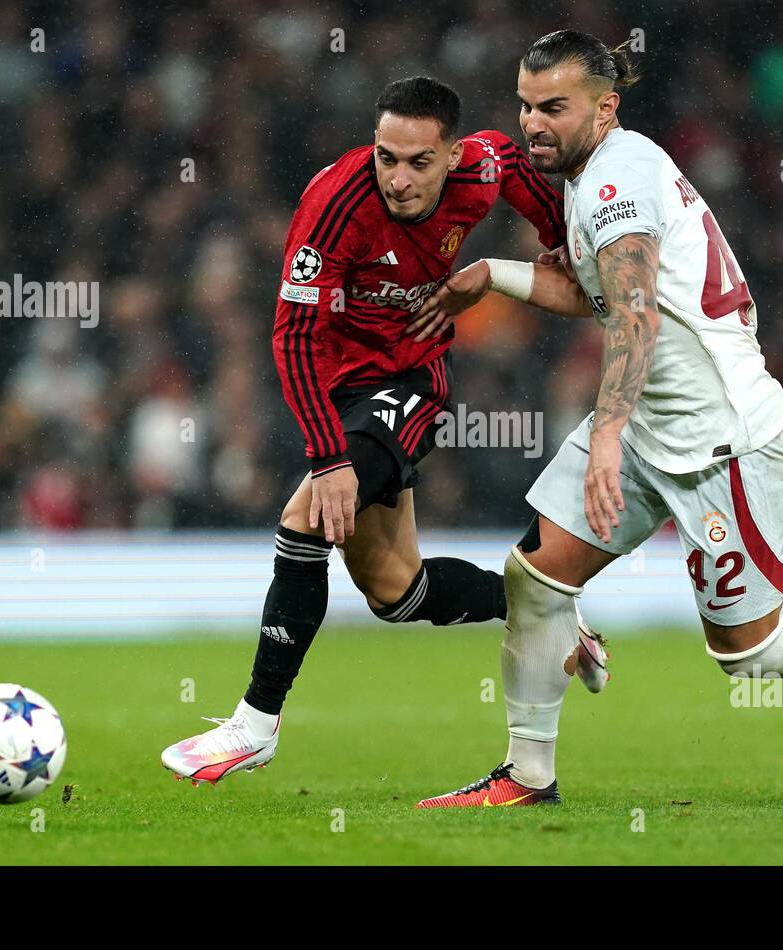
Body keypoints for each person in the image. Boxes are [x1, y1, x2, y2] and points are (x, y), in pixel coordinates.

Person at [409, 31, 783, 809]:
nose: (532, 124)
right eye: (526, 106)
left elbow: (635, 315)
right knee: (533, 579)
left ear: (605, 109)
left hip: (722, 440)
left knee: (749, 654)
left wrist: (602, 432)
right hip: (643, 426)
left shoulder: (614, 182)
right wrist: (492, 275)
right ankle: (527, 776)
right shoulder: (586, 172)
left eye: (553, 108)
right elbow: (595, 293)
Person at [161, 76, 567, 784]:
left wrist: (562, 244)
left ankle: (255, 726)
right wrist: (328, 457)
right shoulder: (335, 204)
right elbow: (292, 338)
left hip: (411, 380)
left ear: (450, 157)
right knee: (394, 590)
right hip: (340, 388)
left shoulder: (485, 164)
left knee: (304, 521)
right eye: (387, 157)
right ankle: (544, 606)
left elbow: (527, 180)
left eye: (418, 162)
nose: (399, 179)